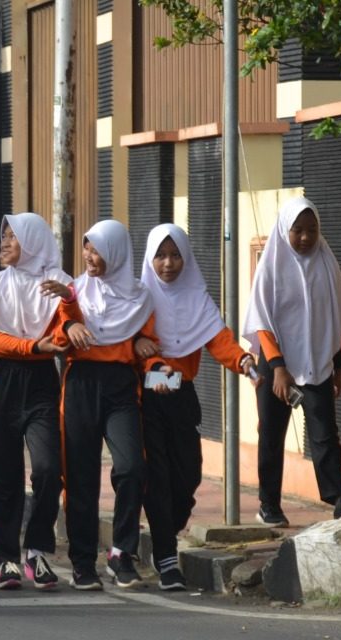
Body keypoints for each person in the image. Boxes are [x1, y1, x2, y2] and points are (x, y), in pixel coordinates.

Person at [139, 223, 258, 590]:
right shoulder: (140, 298)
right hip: (149, 391)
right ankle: (167, 559)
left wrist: (243, 361)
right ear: (150, 258)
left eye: (175, 255)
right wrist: (150, 361)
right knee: (157, 477)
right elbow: (131, 342)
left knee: (188, 473)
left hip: (181, 391)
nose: (168, 264)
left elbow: (218, 338)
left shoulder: (197, 297)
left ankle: (164, 533)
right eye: (160, 255)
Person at [42, 219, 156, 590]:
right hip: (80, 383)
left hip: (121, 386)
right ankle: (82, 560)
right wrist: (69, 327)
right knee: (80, 475)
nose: (90, 256)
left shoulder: (141, 298)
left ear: (117, 253)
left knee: (132, 467)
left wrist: (143, 348)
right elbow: (59, 331)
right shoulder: (74, 291)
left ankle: (122, 552)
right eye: (87, 248)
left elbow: (149, 338)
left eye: (98, 250)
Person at [243, 197, 341, 526]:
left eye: (312, 230)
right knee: (272, 433)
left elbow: (335, 318)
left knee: (325, 433)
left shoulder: (326, 262)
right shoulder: (271, 265)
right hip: (275, 364)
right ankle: (269, 504)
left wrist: (337, 366)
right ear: (285, 229)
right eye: (297, 230)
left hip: (318, 363)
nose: (305, 237)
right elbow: (262, 321)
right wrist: (279, 369)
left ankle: (338, 499)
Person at [0, 212, 69, 590]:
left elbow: (65, 331)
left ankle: (36, 548)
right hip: (4, 378)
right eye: (4, 236)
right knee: (3, 474)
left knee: (49, 468)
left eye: (12, 237)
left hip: (42, 382)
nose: (4, 243)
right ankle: (6, 559)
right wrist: (33, 345)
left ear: (32, 242)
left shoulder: (60, 286)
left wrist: (53, 336)